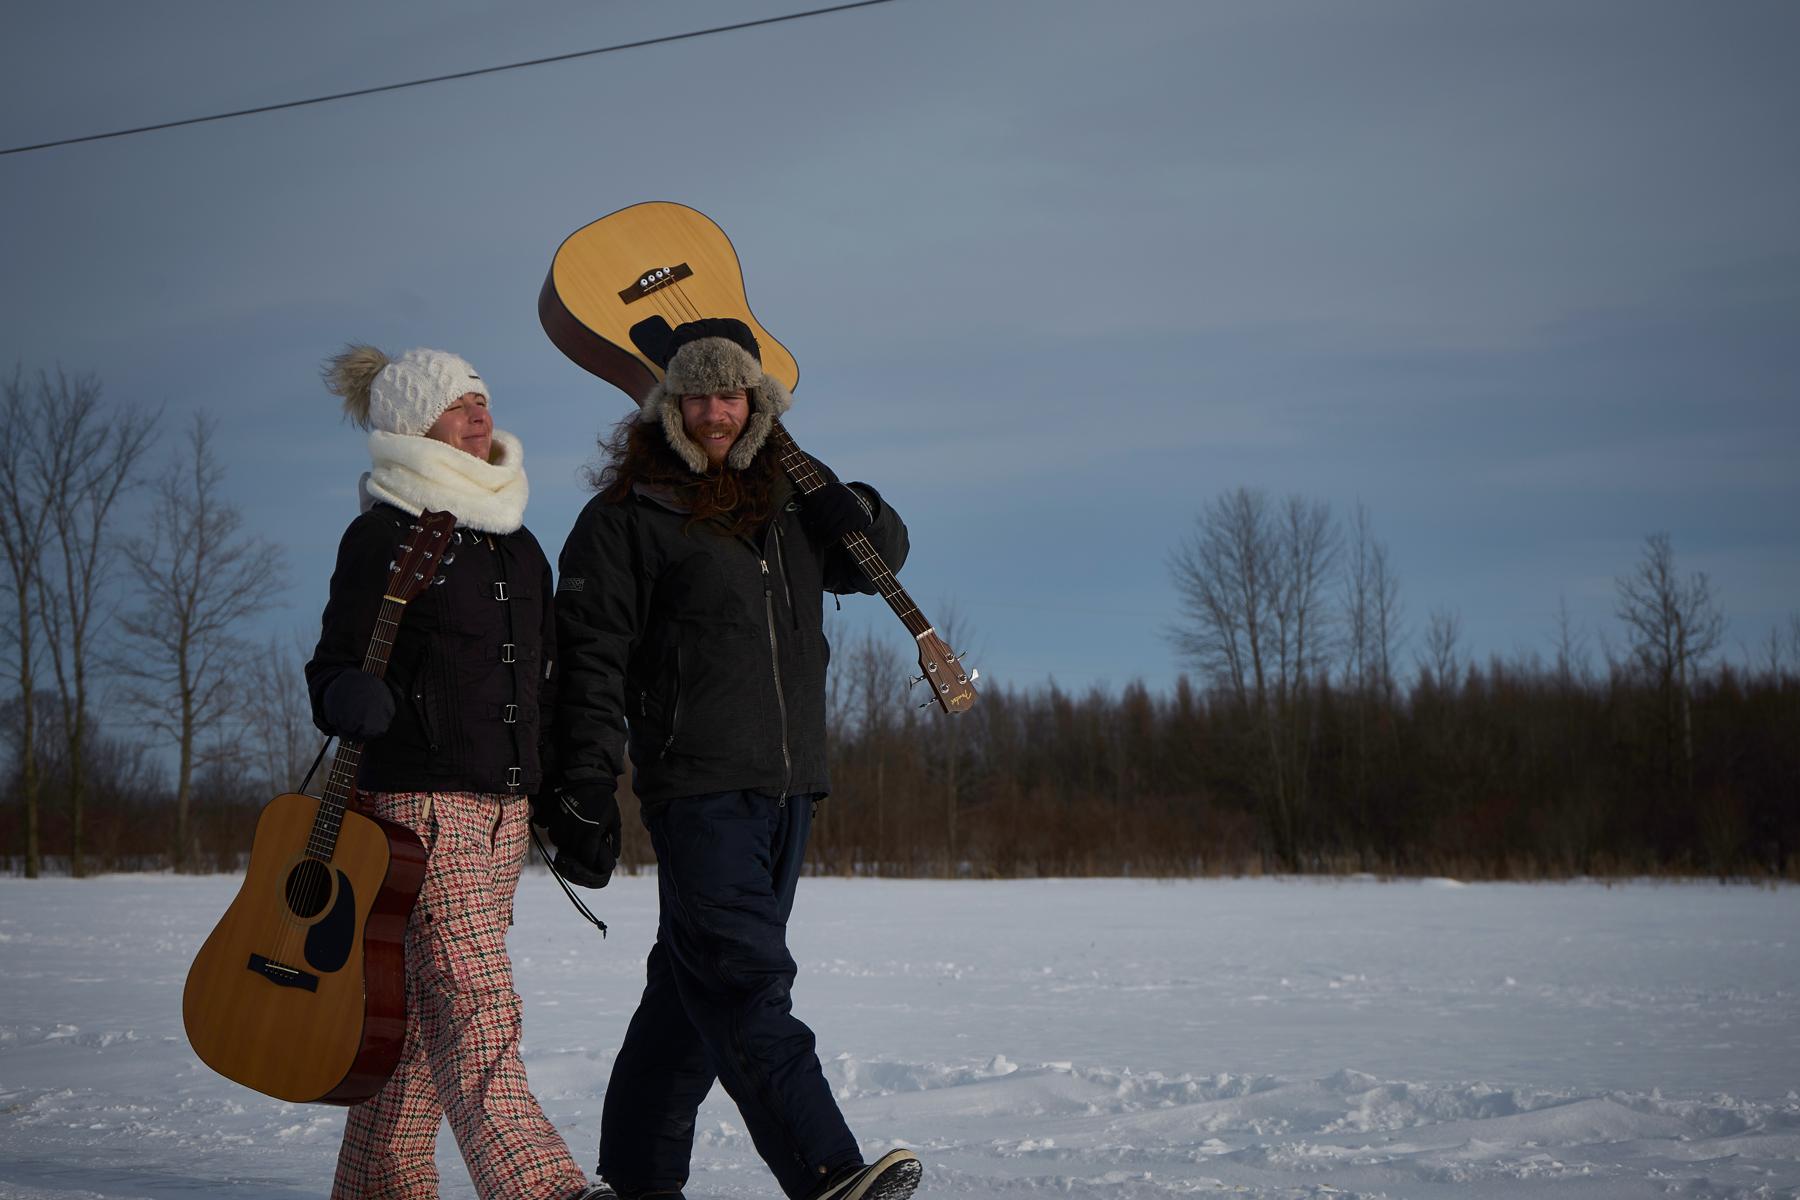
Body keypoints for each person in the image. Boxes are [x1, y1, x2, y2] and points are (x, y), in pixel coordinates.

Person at [547, 318, 922, 1200]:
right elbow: (589, 663)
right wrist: (585, 788)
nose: (716, 412)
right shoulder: (627, 519)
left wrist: (856, 508)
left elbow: (880, 559)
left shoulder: (788, 504)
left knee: (691, 995)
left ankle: (637, 1183)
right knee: (748, 982)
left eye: (731, 394)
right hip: (698, 789)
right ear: (668, 406)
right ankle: (827, 1171)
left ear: (756, 403)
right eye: (698, 395)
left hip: (791, 788)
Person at [307, 344, 613, 1200]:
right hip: (416, 804)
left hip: (501, 815)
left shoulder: (517, 541)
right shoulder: (383, 532)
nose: (480, 416)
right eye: (457, 405)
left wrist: (565, 793)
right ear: (413, 424)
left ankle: (378, 1185)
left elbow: (544, 682)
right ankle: (540, 1188)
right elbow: (330, 667)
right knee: (475, 1004)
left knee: (422, 1012)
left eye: (482, 400)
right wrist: (346, 696)